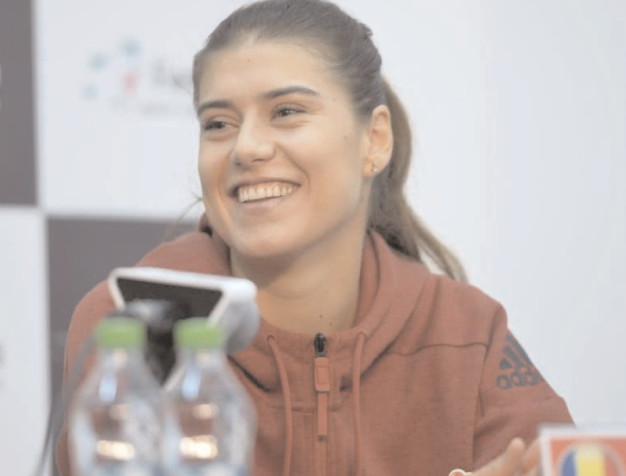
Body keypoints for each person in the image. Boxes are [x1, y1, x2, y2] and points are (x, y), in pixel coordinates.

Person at [56, 0, 573, 475]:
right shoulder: (131, 322)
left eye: (286, 112)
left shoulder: (466, 331)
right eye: (218, 124)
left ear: (375, 140)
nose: (246, 148)